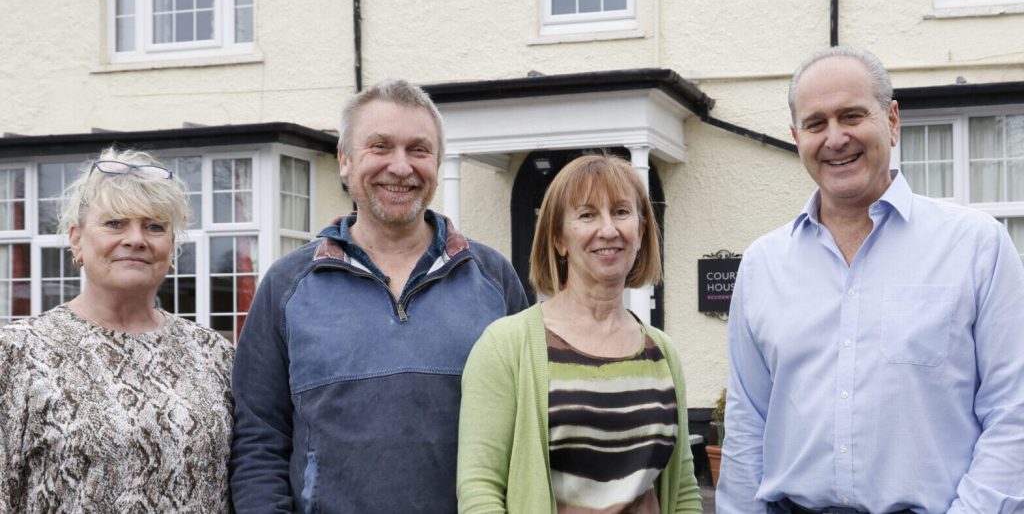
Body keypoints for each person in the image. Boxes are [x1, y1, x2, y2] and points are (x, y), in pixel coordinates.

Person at [717, 46, 1024, 513]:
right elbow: (747, 423)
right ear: (796, 136)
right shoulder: (763, 264)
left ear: (893, 121)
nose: (835, 138)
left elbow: (1013, 412)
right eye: (816, 124)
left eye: (852, 116)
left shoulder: (976, 246)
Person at [230, 78, 528, 512]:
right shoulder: (287, 286)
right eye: (381, 146)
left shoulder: (493, 278)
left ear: (438, 162)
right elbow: (259, 442)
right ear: (345, 160)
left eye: (419, 150)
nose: (401, 167)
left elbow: (527, 428)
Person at [458, 154, 702, 513]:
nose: (608, 230)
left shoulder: (661, 352)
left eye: (621, 212)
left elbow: (682, 492)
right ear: (558, 238)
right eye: (587, 215)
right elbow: (480, 490)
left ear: (641, 232)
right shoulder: (505, 347)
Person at [0, 149, 234, 512]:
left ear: (171, 247)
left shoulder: (213, 353)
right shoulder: (17, 352)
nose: (136, 239)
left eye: (154, 226)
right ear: (76, 239)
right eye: (115, 224)